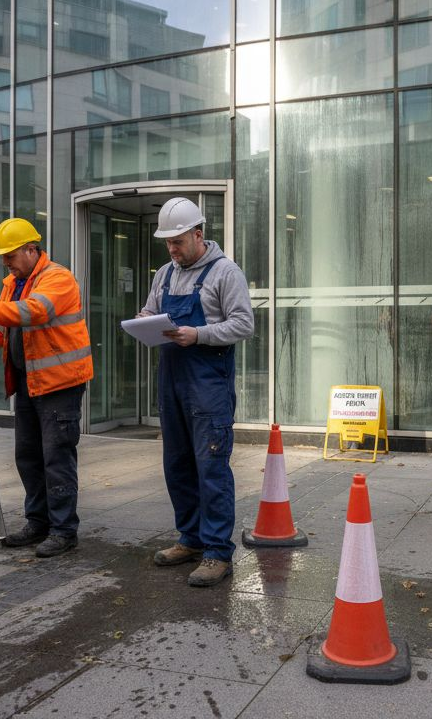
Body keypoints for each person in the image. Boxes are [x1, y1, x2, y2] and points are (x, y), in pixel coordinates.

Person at [0, 217, 93, 559]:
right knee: (28, 457)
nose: (6, 262)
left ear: (32, 250)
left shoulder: (57, 278)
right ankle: (38, 523)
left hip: (60, 385)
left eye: (11, 255)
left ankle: (63, 531)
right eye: (3, 257)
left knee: (56, 458)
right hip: (30, 384)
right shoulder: (14, 283)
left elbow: (35, 312)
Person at [137, 197, 253, 587]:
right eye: (167, 242)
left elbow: (243, 324)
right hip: (171, 384)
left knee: (211, 469)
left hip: (208, 387)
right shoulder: (165, 274)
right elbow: (151, 309)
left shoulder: (225, 273)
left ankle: (218, 552)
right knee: (178, 466)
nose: (172, 249)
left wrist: (199, 334)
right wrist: (142, 321)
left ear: (198, 234)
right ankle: (190, 539)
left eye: (179, 241)